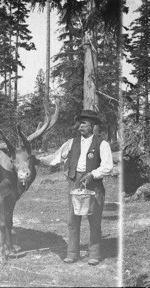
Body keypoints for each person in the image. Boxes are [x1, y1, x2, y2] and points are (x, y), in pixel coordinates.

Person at [50, 109, 113, 266]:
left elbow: (108, 167)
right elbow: (56, 157)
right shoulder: (72, 142)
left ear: (92, 125)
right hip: (74, 181)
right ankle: (72, 253)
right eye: (79, 123)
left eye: (83, 123)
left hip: (94, 183)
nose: (80, 126)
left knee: (94, 219)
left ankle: (94, 254)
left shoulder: (102, 144)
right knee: (73, 218)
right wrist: (36, 161)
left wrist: (93, 174)